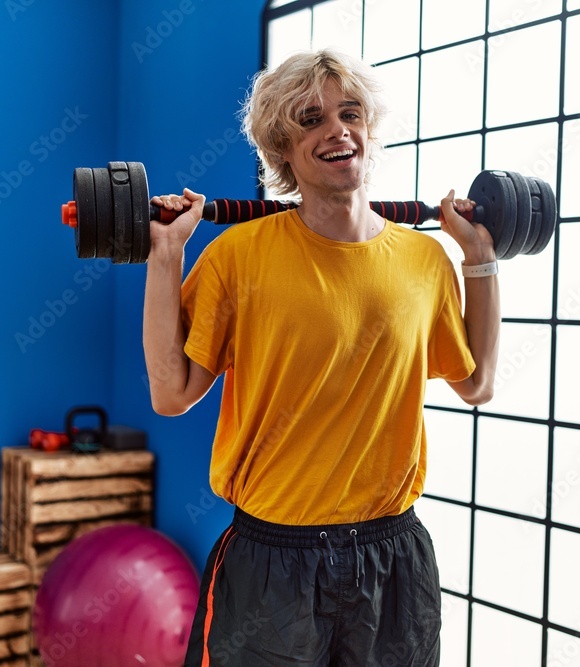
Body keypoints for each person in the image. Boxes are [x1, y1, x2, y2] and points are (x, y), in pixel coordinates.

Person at [143, 48, 500, 667]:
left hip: (392, 556)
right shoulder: (238, 257)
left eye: (350, 113)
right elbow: (171, 394)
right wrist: (165, 258)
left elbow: (479, 384)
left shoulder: (424, 263)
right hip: (273, 562)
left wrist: (480, 261)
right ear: (282, 149)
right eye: (310, 119)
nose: (337, 130)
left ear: (368, 130)